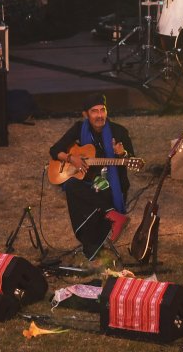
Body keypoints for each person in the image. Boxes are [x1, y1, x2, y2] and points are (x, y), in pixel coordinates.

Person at [49, 92, 135, 260]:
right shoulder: (78, 129)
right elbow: (54, 151)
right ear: (86, 114)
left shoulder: (119, 132)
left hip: (112, 186)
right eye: (94, 111)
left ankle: (92, 245)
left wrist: (122, 153)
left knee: (85, 196)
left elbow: (131, 159)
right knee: (72, 186)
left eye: (102, 110)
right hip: (88, 184)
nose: (99, 115)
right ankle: (111, 216)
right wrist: (71, 158)